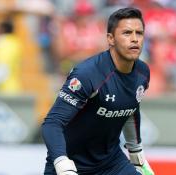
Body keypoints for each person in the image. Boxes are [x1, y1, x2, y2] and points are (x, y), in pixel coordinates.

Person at [42, 7, 155, 175]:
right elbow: (52, 123)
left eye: (139, 33)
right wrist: (62, 162)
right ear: (110, 39)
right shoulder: (87, 74)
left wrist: (136, 152)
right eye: (127, 33)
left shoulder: (142, 73)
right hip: (71, 165)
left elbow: (130, 108)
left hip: (112, 163)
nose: (134, 39)